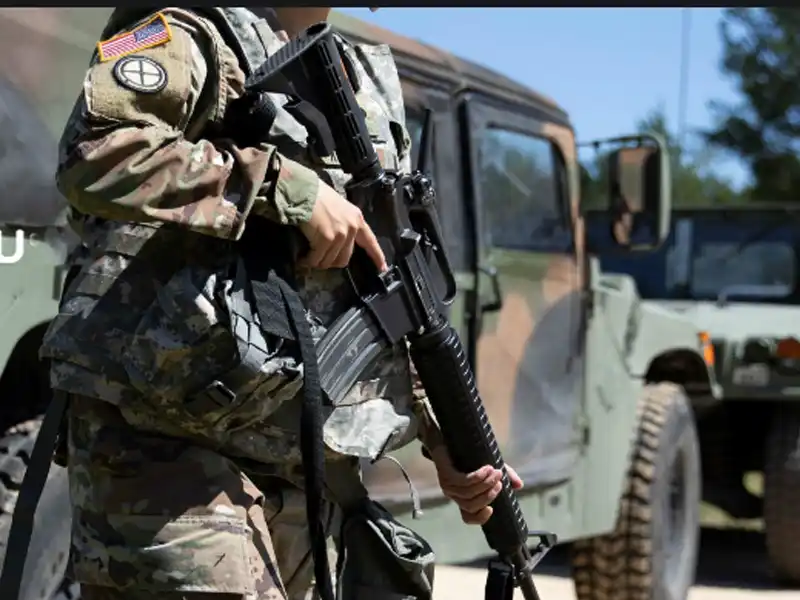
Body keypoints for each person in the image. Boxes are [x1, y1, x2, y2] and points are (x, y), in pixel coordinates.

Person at [41, 7, 524, 600]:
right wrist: (278, 188)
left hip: (303, 463)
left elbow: (387, 290)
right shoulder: (190, 33)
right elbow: (94, 152)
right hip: (166, 443)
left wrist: (445, 435)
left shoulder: (362, 81)